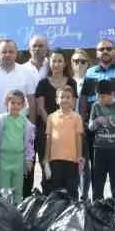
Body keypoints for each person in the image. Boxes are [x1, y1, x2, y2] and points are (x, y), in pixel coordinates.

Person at [32, 50, 78, 191]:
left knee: (66, 169)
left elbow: (72, 106)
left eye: (60, 61)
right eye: (53, 61)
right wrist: (53, 125)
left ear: (65, 64)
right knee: (48, 170)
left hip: (67, 133)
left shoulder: (71, 82)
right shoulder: (43, 83)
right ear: (49, 63)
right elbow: (40, 108)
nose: (56, 64)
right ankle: (49, 201)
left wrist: (62, 126)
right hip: (46, 131)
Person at [0, 91, 36, 204]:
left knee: (17, 188)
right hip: (4, 158)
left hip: (19, 159)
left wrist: (29, 159)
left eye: (19, 103)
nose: (15, 106)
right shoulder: (0, 120)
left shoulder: (26, 123)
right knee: (3, 188)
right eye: (12, 103)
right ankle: (4, 210)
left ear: (23, 105)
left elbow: (30, 143)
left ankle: (17, 210)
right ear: (6, 103)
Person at [87, 80, 115, 200]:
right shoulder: (95, 106)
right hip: (99, 149)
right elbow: (90, 127)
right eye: (98, 96)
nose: (100, 99)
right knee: (98, 181)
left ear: (112, 94)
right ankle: (97, 205)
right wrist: (97, 121)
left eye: (103, 96)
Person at [0, 39, 39, 128]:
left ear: (16, 53)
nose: (7, 55)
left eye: (11, 52)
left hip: (19, 126)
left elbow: (32, 100)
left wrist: (32, 125)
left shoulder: (26, 72)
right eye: (4, 52)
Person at [46, 85, 85, 197]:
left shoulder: (77, 117)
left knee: (71, 188)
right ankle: (57, 211)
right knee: (57, 188)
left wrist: (79, 156)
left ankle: (72, 211)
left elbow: (78, 137)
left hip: (72, 159)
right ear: (57, 100)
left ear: (73, 100)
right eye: (62, 97)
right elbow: (48, 138)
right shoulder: (51, 117)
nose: (65, 99)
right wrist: (46, 157)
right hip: (55, 158)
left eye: (68, 97)